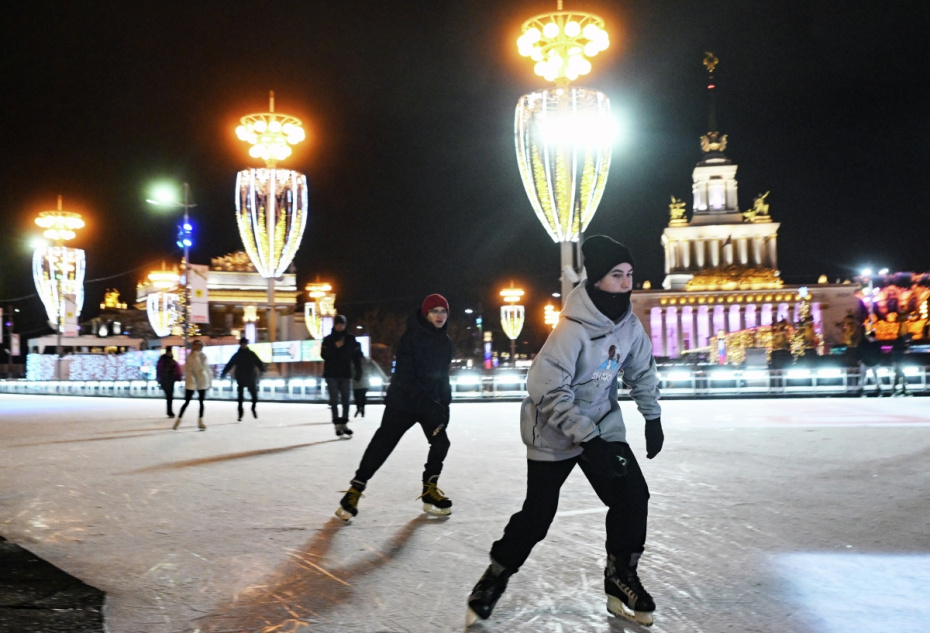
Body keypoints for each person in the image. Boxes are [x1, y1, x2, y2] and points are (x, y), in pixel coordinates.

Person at [466, 236, 664, 628]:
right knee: (538, 515)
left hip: (602, 423)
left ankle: (620, 576)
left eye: (629, 275)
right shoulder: (570, 329)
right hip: (554, 433)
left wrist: (652, 416)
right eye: (616, 275)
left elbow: (642, 369)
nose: (626, 284)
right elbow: (545, 390)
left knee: (632, 495)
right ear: (597, 280)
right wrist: (587, 439)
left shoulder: (629, 326)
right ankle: (495, 576)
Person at [335, 294, 454, 520]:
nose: (440, 316)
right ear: (425, 314)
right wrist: (430, 404)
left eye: (443, 312)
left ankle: (429, 491)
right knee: (383, 444)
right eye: (435, 311)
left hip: (429, 405)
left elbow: (442, 377)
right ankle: (353, 492)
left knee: (441, 443)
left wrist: (444, 405)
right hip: (403, 401)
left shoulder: (445, 342)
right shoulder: (409, 338)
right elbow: (405, 376)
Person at [321, 315, 362, 437]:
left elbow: (356, 356)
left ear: (345, 325)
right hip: (331, 374)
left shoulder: (350, 339)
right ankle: (337, 424)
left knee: (346, 400)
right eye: (338, 324)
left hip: (345, 374)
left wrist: (359, 371)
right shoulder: (328, 339)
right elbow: (323, 355)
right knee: (334, 400)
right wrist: (335, 347)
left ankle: (344, 423)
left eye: (342, 324)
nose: (340, 326)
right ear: (334, 325)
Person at [221, 337, 266, 421]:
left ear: (246, 344)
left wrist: (263, 369)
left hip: (251, 377)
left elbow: (258, 362)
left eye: (244, 344)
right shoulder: (237, 355)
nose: (243, 345)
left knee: (254, 397)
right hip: (241, 378)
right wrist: (223, 373)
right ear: (240, 344)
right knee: (240, 398)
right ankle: (240, 414)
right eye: (242, 344)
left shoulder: (251, 354)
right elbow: (230, 364)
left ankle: (253, 408)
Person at [173, 339, 212, 431]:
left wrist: (209, 381)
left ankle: (200, 421)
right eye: (195, 345)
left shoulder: (203, 356)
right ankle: (178, 420)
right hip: (192, 381)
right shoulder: (190, 357)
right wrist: (192, 381)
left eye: (199, 345)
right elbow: (188, 370)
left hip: (202, 381)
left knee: (201, 402)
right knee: (186, 402)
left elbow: (207, 369)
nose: (197, 347)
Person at [155, 346, 182, 418]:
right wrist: (158, 379)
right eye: (169, 352)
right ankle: (169, 411)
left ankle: (169, 411)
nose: (170, 353)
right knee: (169, 395)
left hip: (171, 380)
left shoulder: (172, 361)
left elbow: (178, 370)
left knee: (170, 396)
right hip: (164, 380)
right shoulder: (163, 360)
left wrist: (179, 377)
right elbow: (159, 370)